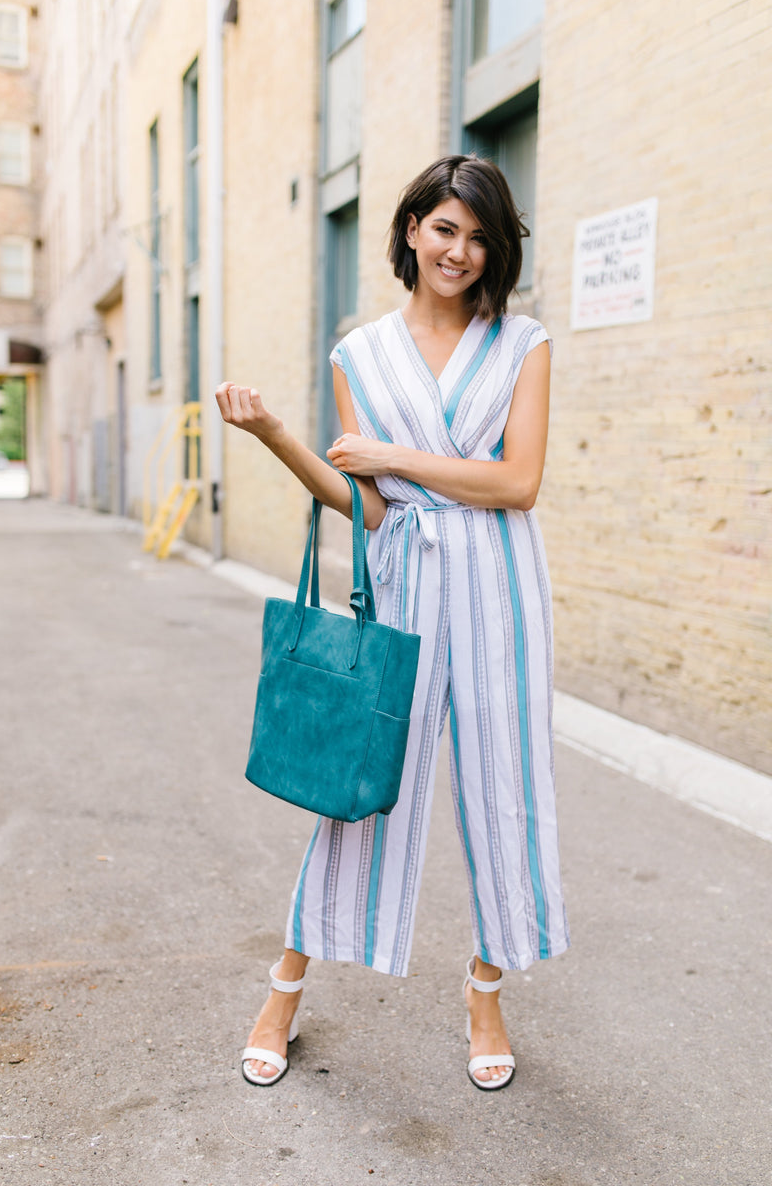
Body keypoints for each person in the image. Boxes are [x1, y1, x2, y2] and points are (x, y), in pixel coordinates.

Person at [215, 154, 569, 1092]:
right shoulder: (358, 355)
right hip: (406, 584)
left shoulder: (522, 340)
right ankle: (285, 985)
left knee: (505, 788)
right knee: (363, 792)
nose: (461, 250)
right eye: (446, 228)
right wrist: (280, 438)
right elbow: (370, 507)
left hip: (502, 588)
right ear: (412, 229)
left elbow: (517, 484)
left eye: (481, 236)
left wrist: (396, 454)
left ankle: (485, 990)